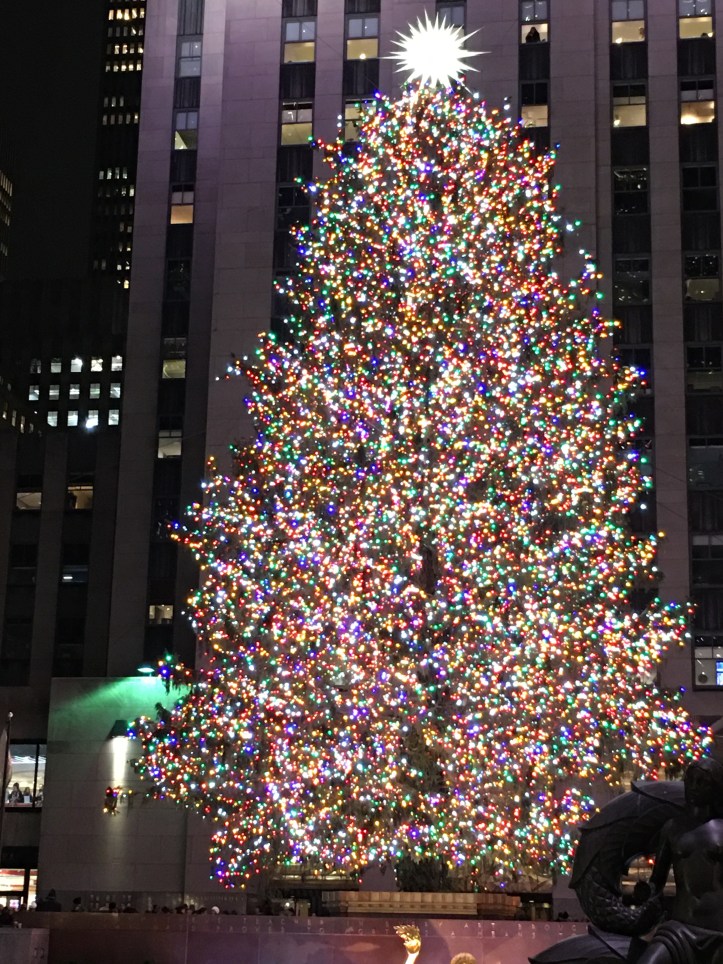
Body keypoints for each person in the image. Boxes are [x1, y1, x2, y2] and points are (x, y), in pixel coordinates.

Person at [638, 758, 723, 962]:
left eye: (702, 782)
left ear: (715, 788)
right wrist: (645, 893)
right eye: (690, 780)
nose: (694, 787)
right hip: (680, 930)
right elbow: (656, 882)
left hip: (719, 930)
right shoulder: (672, 828)